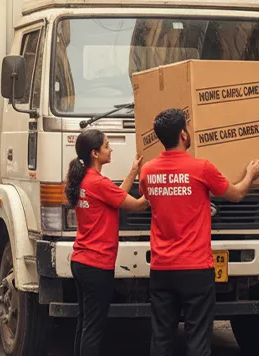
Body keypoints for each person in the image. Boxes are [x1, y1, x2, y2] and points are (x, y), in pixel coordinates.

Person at [139, 108, 259, 356]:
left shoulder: (148, 171)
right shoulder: (202, 168)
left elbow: (148, 201)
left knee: (161, 336)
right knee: (198, 337)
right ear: (183, 134)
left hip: (161, 267)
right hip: (195, 268)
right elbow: (236, 194)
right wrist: (250, 174)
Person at [65, 129, 150, 356]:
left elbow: (117, 197)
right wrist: (158, 185)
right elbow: (137, 205)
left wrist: (133, 171)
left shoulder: (84, 180)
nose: (110, 149)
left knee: (84, 324)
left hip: (81, 261)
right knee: (93, 328)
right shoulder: (98, 183)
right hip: (96, 264)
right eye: (106, 145)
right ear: (95, 153)